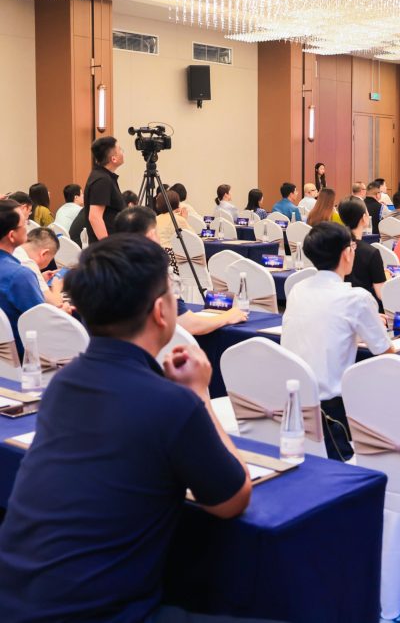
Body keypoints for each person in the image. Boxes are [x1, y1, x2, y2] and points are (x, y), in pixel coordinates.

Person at [0, 234, 253, 619]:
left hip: (16, 599)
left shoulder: (63, 383)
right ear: (160, 311)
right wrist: (199, 392)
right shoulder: (172, 402)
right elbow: (232, 500)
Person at [281, 220, 395, 459]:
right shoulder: (356, 298)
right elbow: (385, 352)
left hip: (292, 404)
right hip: (331, 415)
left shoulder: (298, 289)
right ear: (346, 253)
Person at [0, 199, 65, 335]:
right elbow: (44, 322)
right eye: (25, 223)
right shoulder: (20, 275)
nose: (27, 227)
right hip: (23, 344)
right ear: (12, 235)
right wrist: (63, 312)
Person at [69, 133, 127, 244]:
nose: (122, 152)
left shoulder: (103, 177)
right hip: (108, 247)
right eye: (120, 149)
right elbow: (94, 217)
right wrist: (107, 245)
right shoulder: (102, 180)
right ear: (113, 159)